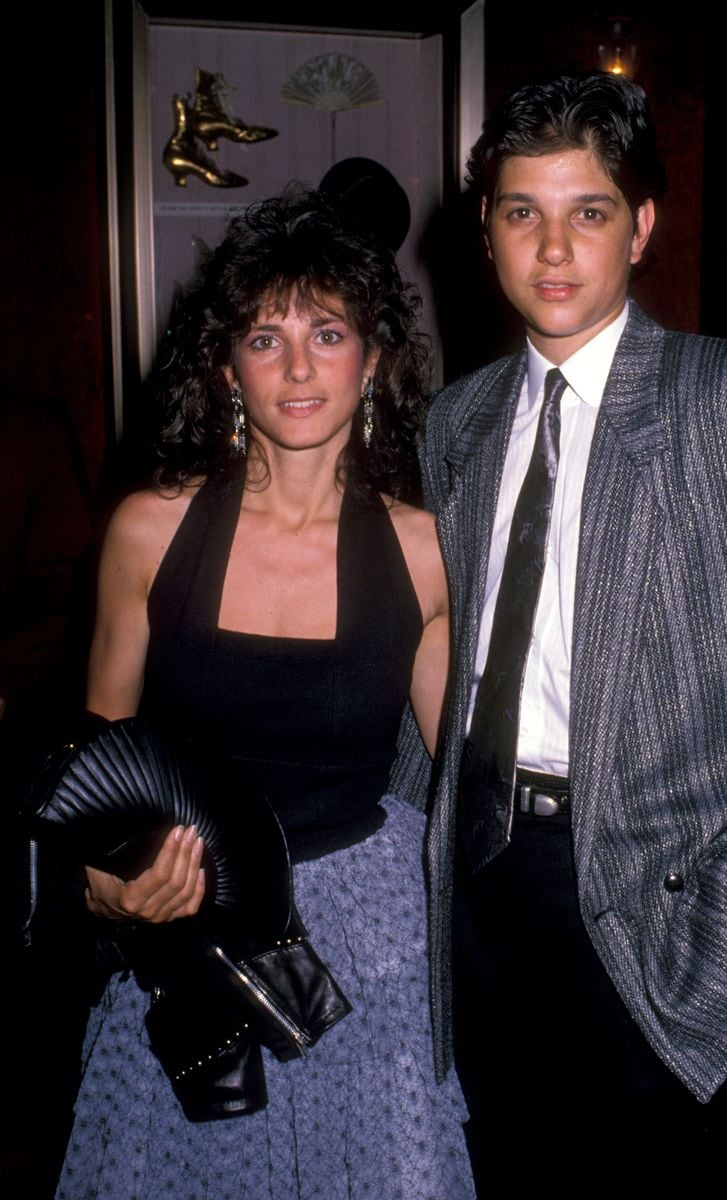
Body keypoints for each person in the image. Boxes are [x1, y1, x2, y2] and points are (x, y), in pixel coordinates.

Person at [420, 73, 727, 1197]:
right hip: (485, 890)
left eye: (586, 212)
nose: (552, 248)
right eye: (518, 212)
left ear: (639, 228)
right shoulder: (457, 422)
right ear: (485, 233)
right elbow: (447, 668)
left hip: (662, 902)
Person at [55, 189, 473, 1200]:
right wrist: (107, 886)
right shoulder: (149, 531)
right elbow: (95, 768)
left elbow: (472, 782)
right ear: (225, 364)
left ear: (371, 358)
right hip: (192, 928)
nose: (295, 367)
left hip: (373, 949)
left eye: (326, 333)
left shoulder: (424, 550)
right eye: (263, 335)